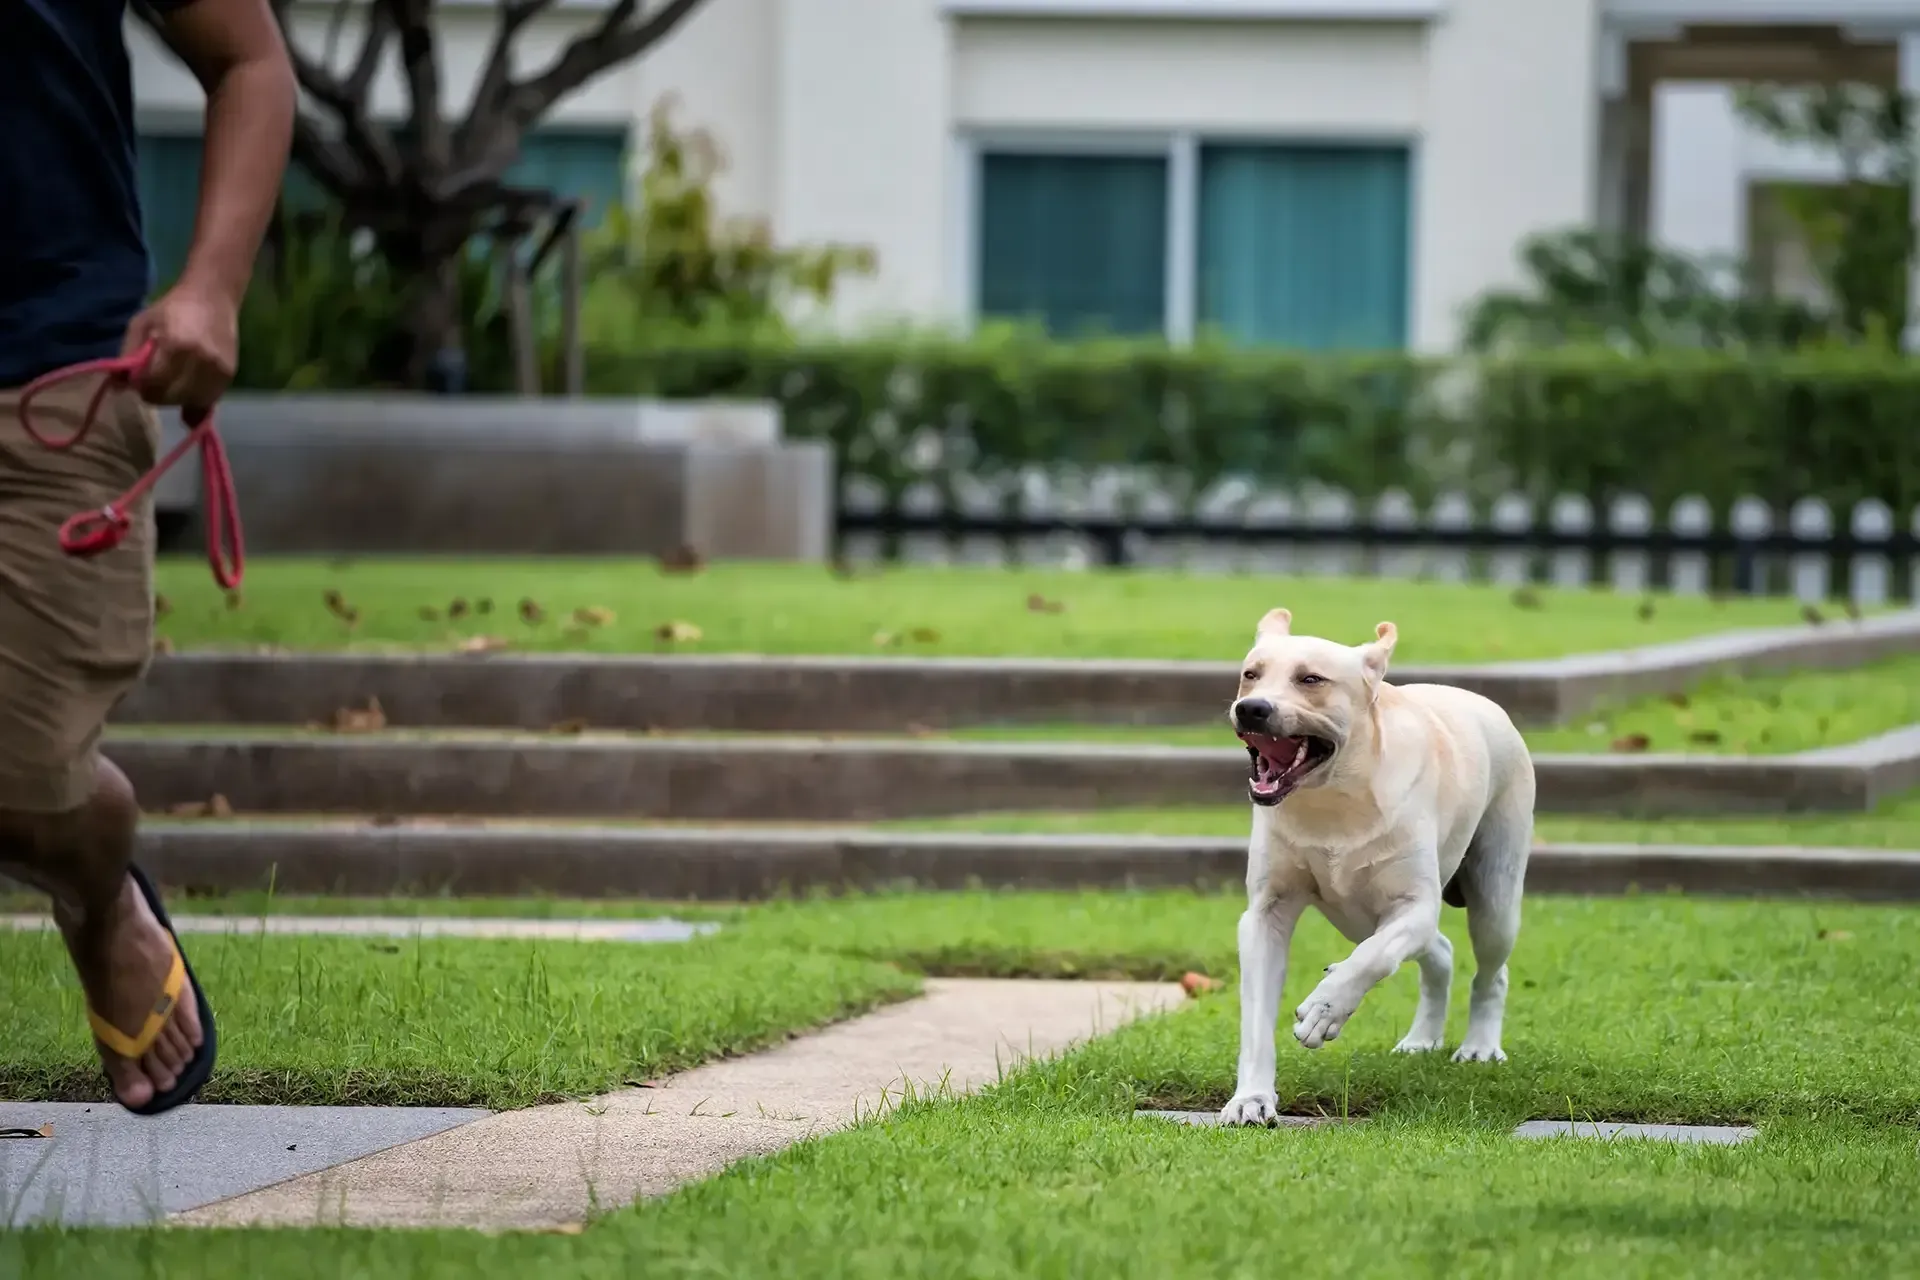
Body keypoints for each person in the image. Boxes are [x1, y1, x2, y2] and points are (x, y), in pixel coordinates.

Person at [0, 1, 294, 1113]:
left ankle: (95, 886)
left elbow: (249, 57)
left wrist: (212, 284)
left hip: (46, 388)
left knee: (19, 777)